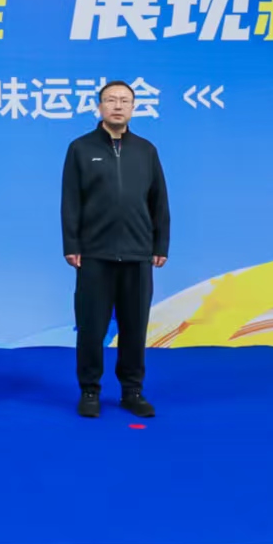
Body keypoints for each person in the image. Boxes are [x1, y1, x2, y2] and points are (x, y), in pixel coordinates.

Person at [61, 79, 170, 419]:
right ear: (99, 107)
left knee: (134, 329)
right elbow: (70, 201)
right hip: (94, 255)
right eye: (111, 100)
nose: (118, 106)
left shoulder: (146, 150)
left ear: (134, 107)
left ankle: (131, 391)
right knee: (90, 328)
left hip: (138, 254)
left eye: (124, 100)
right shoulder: (80, 148)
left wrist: (160, 243)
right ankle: (90, 391)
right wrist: (71, 244)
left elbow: (159, 201)